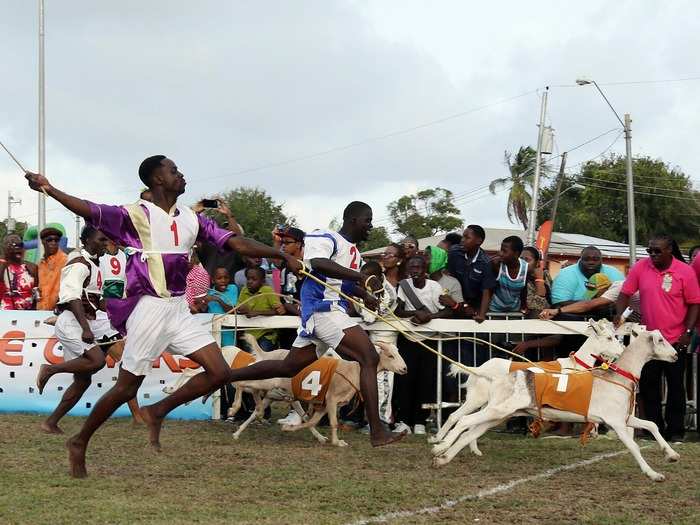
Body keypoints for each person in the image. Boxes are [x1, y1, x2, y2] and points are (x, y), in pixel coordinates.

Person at [25, 155, 299, 477]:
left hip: (178, 309)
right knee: (126, 389)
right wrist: (48, 189)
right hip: (149, 310)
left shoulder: (191, 219)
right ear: (157, 180)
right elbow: (88, 208)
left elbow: (235, 241)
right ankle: (80, 441)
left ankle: (158, 410)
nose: (181, 174)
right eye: (174, 170)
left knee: (219, 372)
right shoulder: (134, 215)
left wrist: (278, 253)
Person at [209, 201, 405, 447]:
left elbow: (336, 280)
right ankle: (377, 431)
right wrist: (362, 277)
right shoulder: (325, 237)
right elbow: (319, 264)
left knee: (289, 367)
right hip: (323, 312)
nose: (370, 226)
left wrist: (362, 293)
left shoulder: (351, 250)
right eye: (368, 220)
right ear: (354, 220)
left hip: (330, 312)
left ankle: (225, 375)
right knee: (369, 357)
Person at [36, 226, 141, 433]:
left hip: (89, 321)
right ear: (87, 241)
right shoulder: (79, 265)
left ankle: (50, 423)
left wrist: (124, 309)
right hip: (72, 322)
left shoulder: (96, 263)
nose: (105, 244)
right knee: (97, 361)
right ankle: (49, 369)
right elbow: (72, 298)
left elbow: (96, 300)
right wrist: (85, 329)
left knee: (83, 380)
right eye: (101, 240)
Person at [616, 234, 700, 443]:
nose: (652, 255)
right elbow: (625, 292)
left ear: (669, 250)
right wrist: (619, 314)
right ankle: (654, 431)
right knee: (649, 386)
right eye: (649, 251)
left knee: (675, 387)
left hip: (674, 339)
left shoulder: (684, 271)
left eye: (657, 251)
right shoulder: (641, 267)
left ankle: (676, 432)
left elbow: (695, 303)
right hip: (648, 341)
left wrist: (687, 333)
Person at [393, 255, 453, 435]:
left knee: (426, 381)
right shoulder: (404, 286)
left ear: (424, 268)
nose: (415, 271)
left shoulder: (434, 287)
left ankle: (420, 421)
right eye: (411, 268)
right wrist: (415, 314)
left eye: (418, 267)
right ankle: (404, 420)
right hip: (408, 339)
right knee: (405, 380)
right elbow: (398, 310)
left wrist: (428, 317)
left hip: (430, 340)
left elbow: (448, 311)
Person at [446, 225, 496, 322]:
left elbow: (486, 291)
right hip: (455, 300)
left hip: (474, 306)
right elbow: (451, 279)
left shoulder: (485, 262)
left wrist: (481, 315)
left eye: (467, 237)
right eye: (463, 237)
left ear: (479, 241)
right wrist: (463, 304)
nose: (462, 240)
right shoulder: (454, 253)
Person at [550, 246, 624, 306]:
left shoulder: (615, 273)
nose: (591, 262)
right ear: (580, 259)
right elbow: (558, 304)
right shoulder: (565, 274)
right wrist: (593, 305)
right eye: (586, 259)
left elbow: (625, 300)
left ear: (601, 260)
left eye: (595, 259)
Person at [236, 266, 286, 351]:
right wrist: (241, 309)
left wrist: (257, 312)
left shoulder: (267, 290)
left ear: (262, 281)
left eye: (254, 279)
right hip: (249, 333)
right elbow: (238, 307)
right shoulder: (244, 290)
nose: (250, 282)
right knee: (251, 359)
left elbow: (278, 311)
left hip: (266, 334)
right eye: (248, 279)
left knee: (264, 359)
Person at [489, 236, 528, 313]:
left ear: (516, 254)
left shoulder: (526, 268)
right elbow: (489, 288)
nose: (500, 253)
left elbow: (524, 290)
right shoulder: (497, 265)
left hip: (515, 310)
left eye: (504, 251)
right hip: (494, 309)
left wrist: (524, 306)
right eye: (501, 250)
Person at [0, 234, 38, 310]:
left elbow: (37, 293)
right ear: (5, 248)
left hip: (28, 314)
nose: (16, 247)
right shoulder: (2, 266)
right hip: (4, 315)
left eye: (19, 244)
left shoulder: (32, 267)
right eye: (11, 244)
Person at [36, 226, 68, 310]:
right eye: (49, 240)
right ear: (43, 241)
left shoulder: (66, 261)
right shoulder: (40, 264)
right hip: (40, 311)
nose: (53, 243)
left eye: (56, 240)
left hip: (58, 312)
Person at [205, 267, 239, 347]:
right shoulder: (209, 292)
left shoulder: (233, 288)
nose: (223, 280)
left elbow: (232, 310)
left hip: (228, 328)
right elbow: (204, 309)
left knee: (229, 352)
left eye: (226, 278)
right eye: (219, 278)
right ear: (213, 280)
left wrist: (218, 299)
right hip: (212, 329)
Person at [521, 246, 549, 317]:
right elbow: (535, 307)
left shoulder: (545, 275)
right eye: (520, 259)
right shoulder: (518, 278)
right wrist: (539, 280)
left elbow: (539, 307)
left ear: (537, 263)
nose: (522, 263)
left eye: (527, 260)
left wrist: (539, 279)